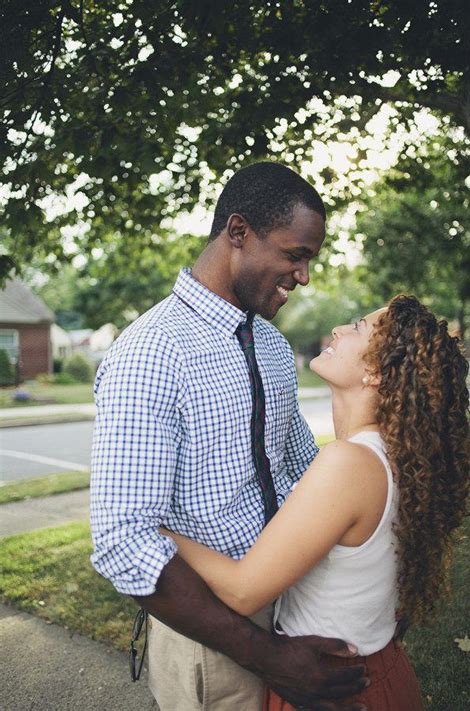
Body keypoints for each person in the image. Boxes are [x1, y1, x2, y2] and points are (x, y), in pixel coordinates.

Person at [90, 162, 368, 711]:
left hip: (293, 609)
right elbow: (124, 542)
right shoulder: (151, 352)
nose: (305, 275)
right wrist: (264, 654)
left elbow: (297, 474)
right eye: (295, 255)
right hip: (212, 636)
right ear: (238, 233)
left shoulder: (269, 342)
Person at [162, 295, 470, 710]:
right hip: (374, 674)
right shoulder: (393, 454)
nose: (338, 331)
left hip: (330, 686)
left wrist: (156, 529)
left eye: (358, 327)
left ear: (376, 371)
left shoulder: (350, 463)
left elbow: (241, 592)